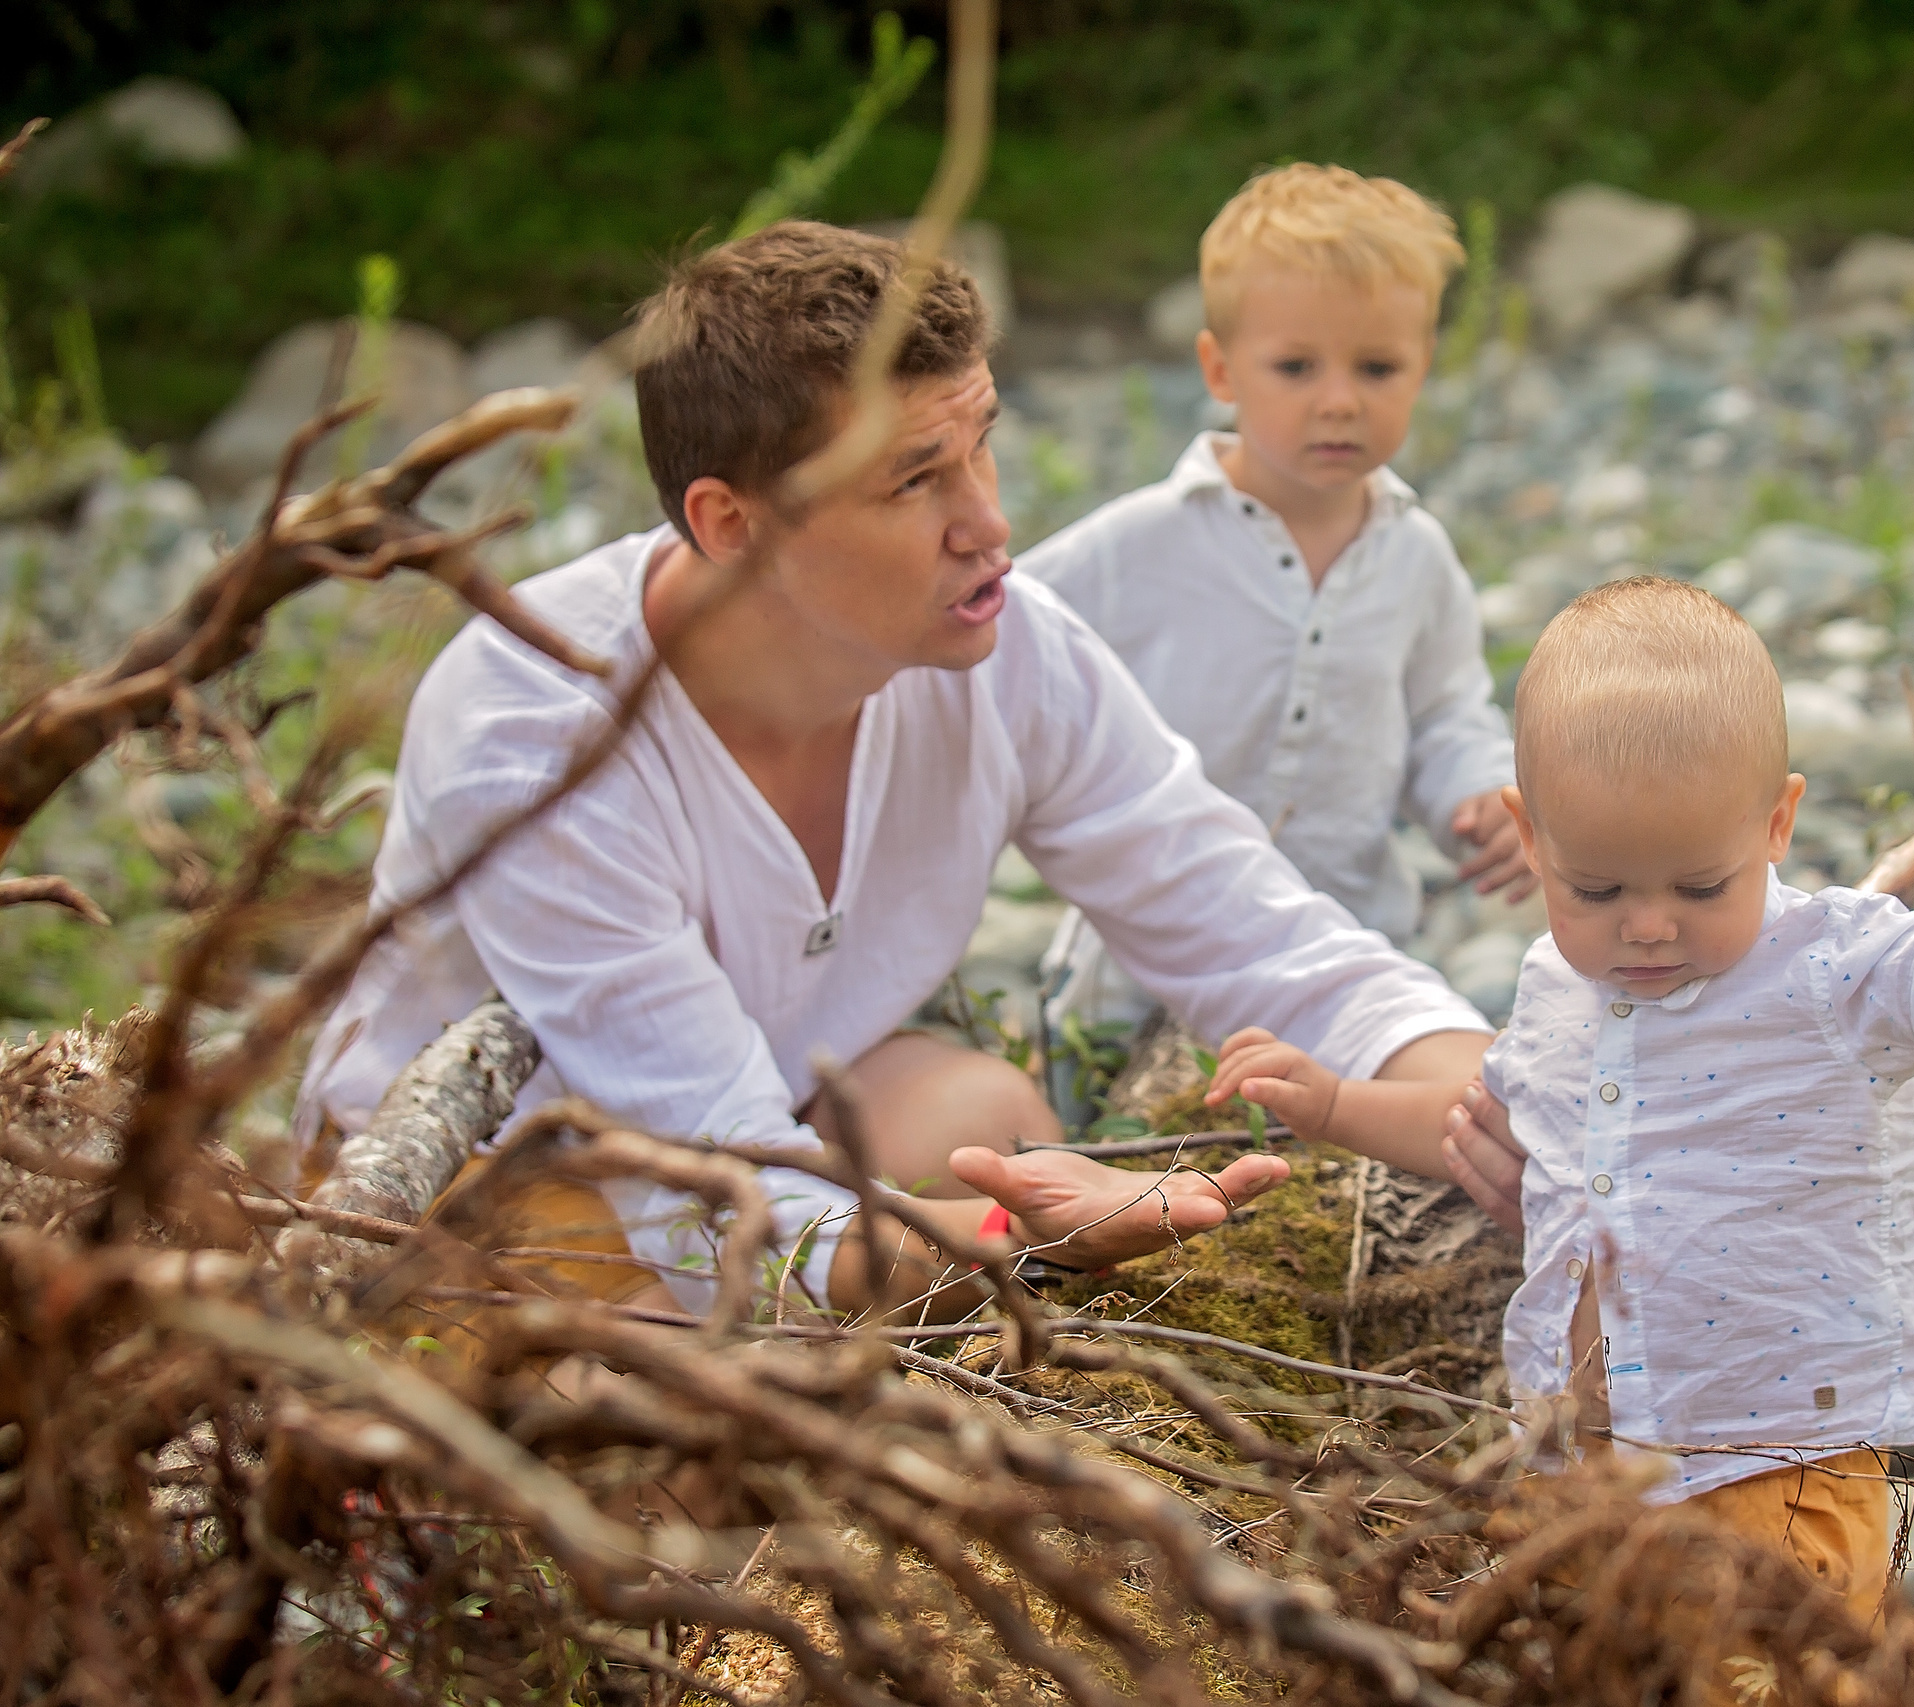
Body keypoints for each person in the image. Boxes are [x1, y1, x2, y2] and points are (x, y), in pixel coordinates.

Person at [293, 221, 1499, 1320]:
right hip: (487, 1193)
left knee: (978, 1121)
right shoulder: (539, 727)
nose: (989, 523)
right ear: (728, 523)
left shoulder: (1003, 644)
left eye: (980, 449)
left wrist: (1504, 1100)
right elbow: (721, 1190)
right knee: (654, 1402)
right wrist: (1018, 1246)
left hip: (778, 1120)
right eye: (914, 480)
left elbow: (1256, 934)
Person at [1206, 576, 1914, 1621]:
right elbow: (1485, 1123)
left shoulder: (1835, 969)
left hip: (1775, 1470)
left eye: (1700, 885)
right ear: (1527, 837)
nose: (1645, 925)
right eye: (1594, 887)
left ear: (1776, 824)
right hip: (1575, 1468)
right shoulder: (1558, 985)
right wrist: (1336, 1105)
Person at [1022, 163, 1527, 1029]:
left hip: (1344, 955)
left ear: (1422, 367)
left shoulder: (1416, 558)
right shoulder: (1139, 544)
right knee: (1118, 1135)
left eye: (1377, 367)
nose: (1339, 400)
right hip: (1143, 965)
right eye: (1295, 366)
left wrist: (1477, 794)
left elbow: (1446, 713)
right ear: (1220, 369)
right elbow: (999, 644)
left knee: (1352, 1138)